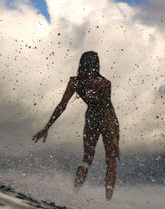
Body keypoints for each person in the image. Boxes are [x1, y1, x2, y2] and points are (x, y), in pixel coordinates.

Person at [32, 51, 120, 200]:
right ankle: (108, 203)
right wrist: (114, 139)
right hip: (108, 120)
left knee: (87, 158)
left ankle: (74, 196)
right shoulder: (105, 83)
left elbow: (62, 105)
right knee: (111, 161)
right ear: (97, 65)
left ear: (81, 64)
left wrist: (47, 127)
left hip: (93, 118)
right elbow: (106, 109)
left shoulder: (75, 82)